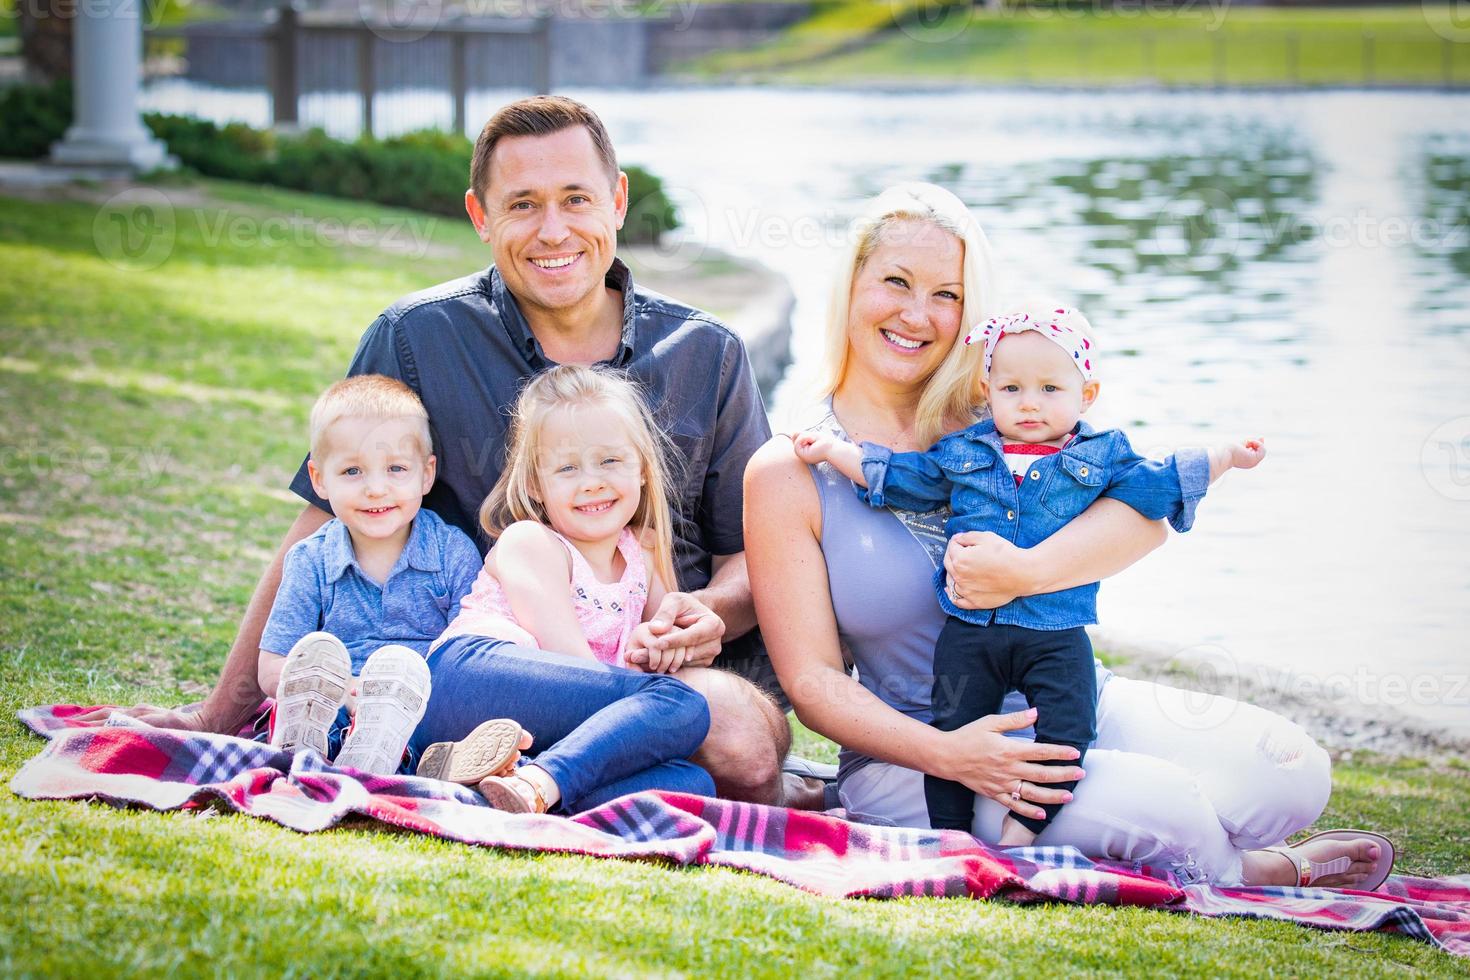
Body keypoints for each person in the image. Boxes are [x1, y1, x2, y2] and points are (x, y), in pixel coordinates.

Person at [79, 95, 797, 808]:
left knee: (736, 756)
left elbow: (752, 559)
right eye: (522, 205)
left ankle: (483, 775)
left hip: (654, 670)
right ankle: (488, 758)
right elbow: (326, 526)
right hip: (499, 673)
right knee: (714, 738)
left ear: (616, 201)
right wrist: (215, 715)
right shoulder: (417, 340)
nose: (554, 231)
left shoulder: (707, 354)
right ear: (480, 217)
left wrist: (705, 611)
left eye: (577, 199)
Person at [745, 182, 1394, 889]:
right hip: (921, 755)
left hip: (1065, 695)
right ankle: (1263, 869)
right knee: (1173, 812)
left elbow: (1143, 520)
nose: (916, 314)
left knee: (1291, 773)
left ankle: (1165, 836)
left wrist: (1026, 573)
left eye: (947, 295)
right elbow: (810, 682)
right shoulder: (794, 466)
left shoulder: (1012, 408)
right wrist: (951, 755)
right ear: (850, 290)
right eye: (895, 283)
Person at [794, 302, 1267, 845]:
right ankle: (950, 836)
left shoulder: (1102, 455)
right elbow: (906, 478)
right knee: (955, 724)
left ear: (1085, 395)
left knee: (1069, 729)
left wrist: (1222, 457)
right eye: (1012, 389)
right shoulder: (966, 451)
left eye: (1050, 389)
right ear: (988, 389)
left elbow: (1154, 488)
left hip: (1054, 633)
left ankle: (1027, 824)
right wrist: (836, 451)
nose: (1030, 404)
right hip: (972, 634)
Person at [415, 364, 716, 813]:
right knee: (683, 705)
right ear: (536, 485)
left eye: (610, 460)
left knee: (692, 784)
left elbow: (652, 667)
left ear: (642, 470)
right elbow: (572, 664)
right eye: (568, 467)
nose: (592, 480)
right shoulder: (531, 543)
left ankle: (495, 785)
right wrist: (648, 684)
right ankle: (540, 781)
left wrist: (670, 643)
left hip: (539, 726)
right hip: (467, 677)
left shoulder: (644, 554)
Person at [257, 375, 482, 774]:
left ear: (426, 474)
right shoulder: (311, 559)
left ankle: (378, 752)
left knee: (417, 722)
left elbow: (468, 658)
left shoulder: (452, 553)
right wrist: (342, 691)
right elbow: (272, 666)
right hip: (334, 699)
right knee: (313, 700)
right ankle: (306, 741)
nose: (376, 489)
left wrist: (389, 698)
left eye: (396, 468)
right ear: (319, 479)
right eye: (352, 472)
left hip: (417, 705)